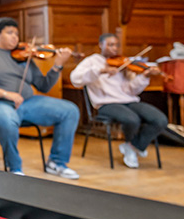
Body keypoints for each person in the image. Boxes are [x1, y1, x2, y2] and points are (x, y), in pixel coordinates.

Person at [0, 17, 81, 178]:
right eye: (10, 33)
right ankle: (15, 168)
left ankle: (57, 163)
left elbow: (44, 85)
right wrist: (5, 93)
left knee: (70, 110)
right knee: (6, 118)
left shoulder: (24, 57)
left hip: (27, 103)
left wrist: (58, 65)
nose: (15, 37)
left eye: (17, 34)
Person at [70, 33, 169, 168]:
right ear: (101, 45)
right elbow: (75, 79)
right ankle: (132, 148)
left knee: (160, 119)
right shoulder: (92, 61)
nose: (114, 49)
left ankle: (133, 146)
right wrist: (101, 70)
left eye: (116, 45)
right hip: (106, 103)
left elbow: (131, 90)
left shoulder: (124, 63)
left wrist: (144, 77)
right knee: (132, 119)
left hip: (129, 101)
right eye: (110, 45)